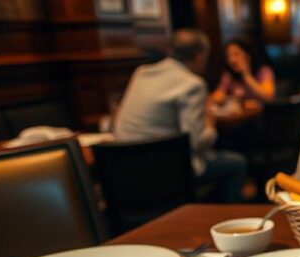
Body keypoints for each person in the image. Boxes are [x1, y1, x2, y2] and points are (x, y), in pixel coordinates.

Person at [115, 29, 246, 203]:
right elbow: (197, 142)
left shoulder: (141, 73)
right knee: (236, 163)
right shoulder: (192, 84)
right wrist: (210, 124)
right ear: (200, 57)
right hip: (166, 174)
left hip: (124, 171)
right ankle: (225, 222)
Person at [210, 38, 275, 106]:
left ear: (248, 56)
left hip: (261, 114)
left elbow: (268, 96)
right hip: (239, 115)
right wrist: (222, 98)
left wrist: (246, 75)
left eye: (236, 54)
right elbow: (218, 95)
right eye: (229, 55)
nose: (232, 60)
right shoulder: (229, 75)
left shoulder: (264, 71)